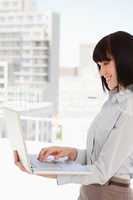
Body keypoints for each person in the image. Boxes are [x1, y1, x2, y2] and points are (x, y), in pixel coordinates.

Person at [14, 31, 133, 200]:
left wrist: (42, 171)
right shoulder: (113, 101)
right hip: (90, 193)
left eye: (106, 63)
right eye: (99, 65)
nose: (101, 71)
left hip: (110, 194)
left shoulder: (130, 108)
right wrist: (71, 153)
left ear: (125, 60)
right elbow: (100, 158)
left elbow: (101, 172)